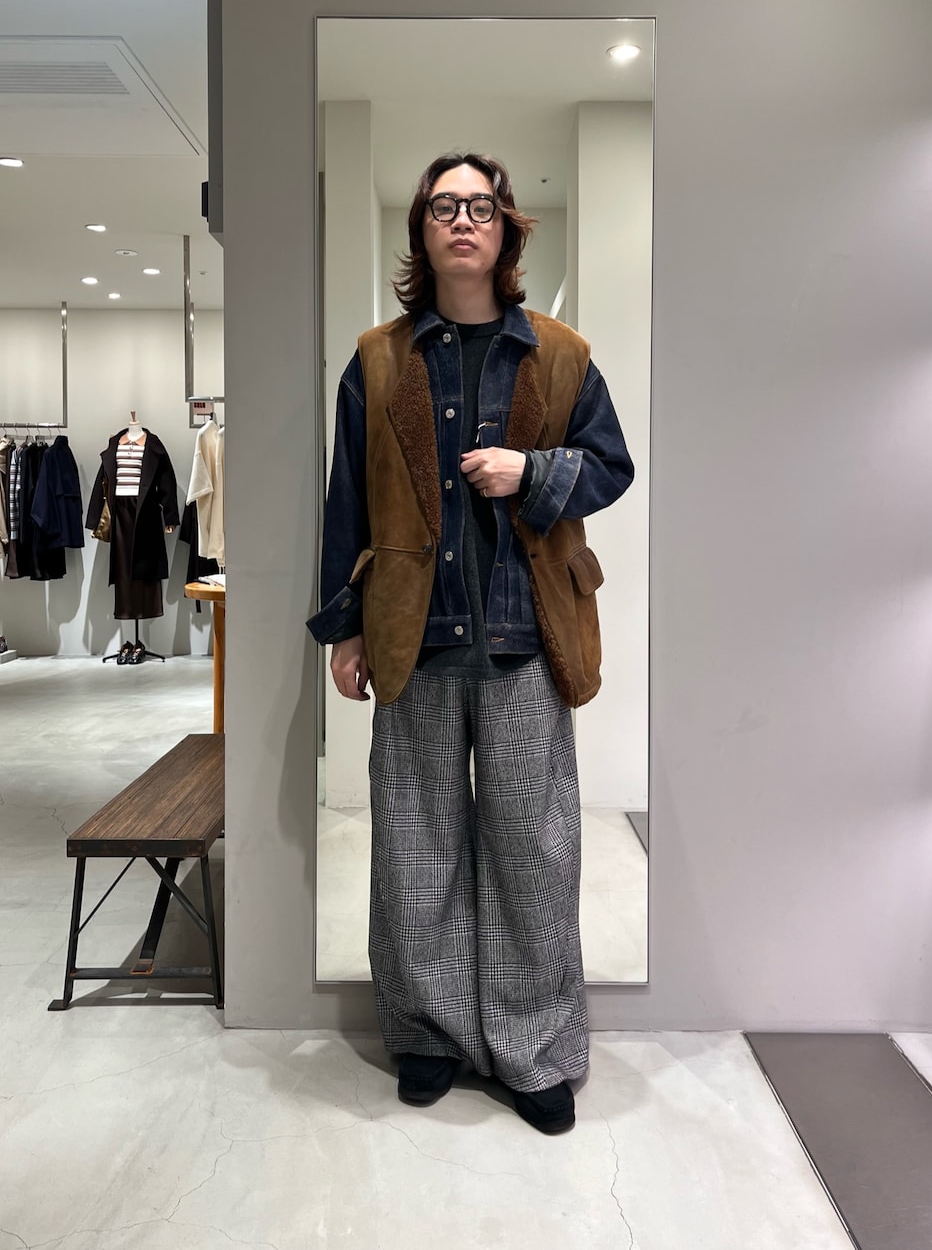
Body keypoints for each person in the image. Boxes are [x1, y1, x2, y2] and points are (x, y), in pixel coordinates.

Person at [307, 152, 633, 1135]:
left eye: (479, 206)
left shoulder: (561, 354)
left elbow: (611, 466)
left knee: (534, 849)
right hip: (412, 633)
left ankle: (534, 1047)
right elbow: (346, 501)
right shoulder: (376, 360)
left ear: (505, 228)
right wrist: (344, 627)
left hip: (528, 636)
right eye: (444, 206)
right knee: (417, 844)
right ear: (422, 228)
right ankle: (428, 1034)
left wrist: (531, 472)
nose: (462, 220)